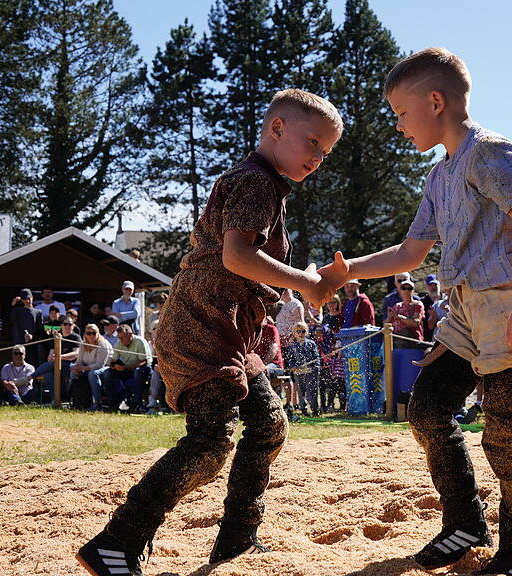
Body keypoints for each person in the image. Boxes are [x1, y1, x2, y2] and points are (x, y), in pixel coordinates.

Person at [76, 88, 344, 575]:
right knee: (210, 442)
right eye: (313, 143)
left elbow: (248, 263)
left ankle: (237, 541)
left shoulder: (266, 186)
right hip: (203, 324)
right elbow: (236, 257)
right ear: (277, 129)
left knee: (268, 424)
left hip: (230, 330)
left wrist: (301, 278)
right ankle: (116, 541)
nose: (318, 158)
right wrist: (304, 281)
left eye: (326, 151)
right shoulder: (256, 183)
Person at [318, 48, 512, 575]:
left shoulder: (490, 153)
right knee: (427, 410)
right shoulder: (437, 176)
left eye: (402, 114)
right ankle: (465, 522)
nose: (399, 126)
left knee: (503, 431)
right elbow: (410, 254)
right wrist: (347, 270)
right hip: (467, 311)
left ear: (435, 101)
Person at [31, 317, 82, 403]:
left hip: (72, 366)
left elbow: (75, 354)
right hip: (56, 365)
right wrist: (53, 357)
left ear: (73, 326)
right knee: (48, 374)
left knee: (54, 364)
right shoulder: (58, 337)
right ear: (61, 326)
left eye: (69, 324)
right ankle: (54, 400)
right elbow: (50, 356)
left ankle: (29, 377)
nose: (67, 326)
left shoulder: (76, 337)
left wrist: (59, 357)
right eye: (65, 324)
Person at [101, 325, 151, 413]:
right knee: (107, 373)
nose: (120, 340)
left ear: (130, 335)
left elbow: (144, 362)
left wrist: (127, 367)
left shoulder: (140, 342)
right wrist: (114, 366)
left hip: (142, 369)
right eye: (119, 337)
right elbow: (112, 361)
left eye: (123, 337)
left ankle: (136, 403)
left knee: (137, 372)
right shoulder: (119, 343)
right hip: (126, 369)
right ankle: (113, 403)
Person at [71, 323, 113, 412]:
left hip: (106, 368)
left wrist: (83, 368)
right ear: (85, 334)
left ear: (98, 334)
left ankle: (97, 403)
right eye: (88, 333)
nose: (91, 335)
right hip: (87, 367)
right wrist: (76, 367)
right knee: (72, 370)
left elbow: (100, 364)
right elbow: (79, 360)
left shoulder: (103, 344)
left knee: (93, 374)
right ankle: (73, 400)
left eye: (94, 333)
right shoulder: (83, 344)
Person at [283, 322, 321, 416]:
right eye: (298, 331)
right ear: (294, 333)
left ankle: (315, 409)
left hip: (310, 371)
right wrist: (292, 366)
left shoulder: (311, 344)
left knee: (312, 391)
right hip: (299, 372)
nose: (301, 333)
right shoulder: (292, 346)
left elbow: (316, 357)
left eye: (303, 331)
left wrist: (316, 367)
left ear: (307, 332)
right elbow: (290, 359)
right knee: (301, 391)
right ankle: (303, 409)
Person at [10, 288, 46, 367]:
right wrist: (13, 304)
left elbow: (41, 330)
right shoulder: (16, 311)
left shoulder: (38, 312)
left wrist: (32, 336)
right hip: (19, 344)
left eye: (29, 298)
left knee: (33, 366)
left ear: (32, 297)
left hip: (33, 345)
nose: (28, 301)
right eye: (25, 299)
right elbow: (9, 321)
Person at [387, 278, 425, 348]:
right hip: (397, 343)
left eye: (409, 288)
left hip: (413, 342)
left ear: (413, 291)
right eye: (404, 288)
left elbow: (415, 322)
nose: (406, 291)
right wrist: (390, 316)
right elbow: (387, 324)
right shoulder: (397, 306)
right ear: (400, 291)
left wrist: (398, 316)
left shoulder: (418, 304)